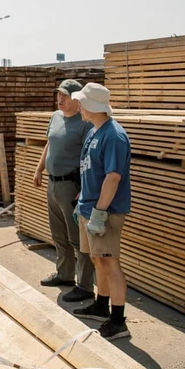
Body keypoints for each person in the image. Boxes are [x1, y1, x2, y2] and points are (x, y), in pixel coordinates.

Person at [69, 83, 133, 341]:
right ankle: (101, 305)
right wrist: (81, 200)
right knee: (98, 260)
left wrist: (99, 212)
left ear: (93, 106)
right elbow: (90, 171)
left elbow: (113, 177)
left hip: (104, 212)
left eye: (82, 103)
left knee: (110, 263)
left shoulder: (114, 136)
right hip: (89, 207)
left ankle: (118, 321)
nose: (79, 107)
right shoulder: (94, 131)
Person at [33, 79, 95, 303]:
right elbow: (49, 144)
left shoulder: (84, 123)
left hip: (72, 186)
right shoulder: (55, 117)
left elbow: (91, 157)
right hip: (53, 183)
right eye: (58, 95)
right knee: (58, 233)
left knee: (78, 238)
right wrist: (39, 169)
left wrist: (85, 187)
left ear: (76, 99)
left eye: (65, 96)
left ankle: (85, 285)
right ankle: (65, 275)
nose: (59, 99)